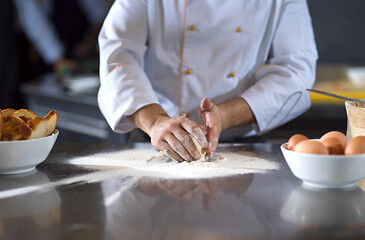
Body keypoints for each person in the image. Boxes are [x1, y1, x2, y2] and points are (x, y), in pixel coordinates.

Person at [98, 1, 318, 162]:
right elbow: (118, 53)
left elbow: (295, 73)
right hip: (154, 140)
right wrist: (155, 122)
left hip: (241, 145)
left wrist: (224, 116)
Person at [13, 0, 108, 77]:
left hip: (81, 54)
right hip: (47, 56)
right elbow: (33, 15)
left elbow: (98, 16)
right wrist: (56, 57)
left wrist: (89, 43)